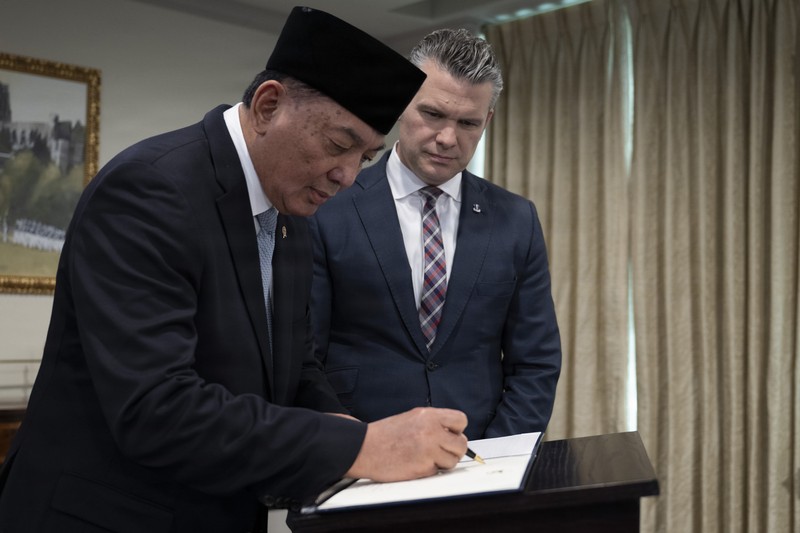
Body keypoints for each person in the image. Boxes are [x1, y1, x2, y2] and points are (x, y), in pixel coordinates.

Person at [0, 8, 471, 532]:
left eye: (364, 157)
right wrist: (359, 446)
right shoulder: (150, 191)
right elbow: (158, 410)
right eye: (339, 145)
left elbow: (295, 366)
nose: (345, 176)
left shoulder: (290, 211)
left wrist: (352, 433)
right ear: (269, 105)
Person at [309, 29, 562, 440]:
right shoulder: (328, 205)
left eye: (468, 123)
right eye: (433, 115)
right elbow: (305, 357)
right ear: (402, 103)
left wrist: (497, 459)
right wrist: (353, 450)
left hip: (477, 461)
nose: (448, 138)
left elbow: (535, 362)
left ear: (488, 121)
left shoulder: (516, 220)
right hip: (358, 461)